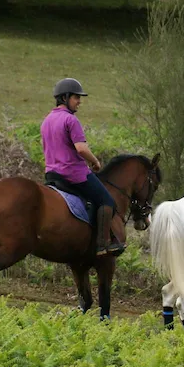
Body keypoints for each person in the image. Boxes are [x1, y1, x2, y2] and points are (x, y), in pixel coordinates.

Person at [40, 77, 124, 256]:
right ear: (65, 98)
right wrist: (94, 161)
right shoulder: (70, 120)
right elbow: (81, 148)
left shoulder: (47, 120)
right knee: (107, 200)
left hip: (52, 175)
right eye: (76, 97)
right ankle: (102, 244)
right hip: (73, 174)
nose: (79, 102)